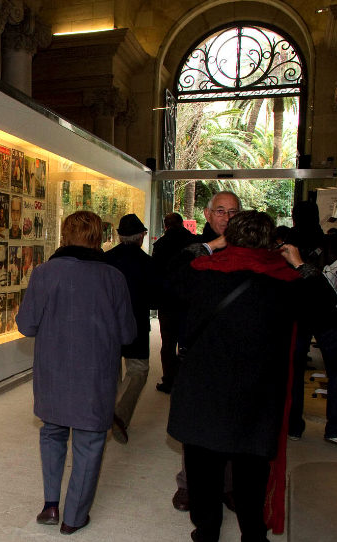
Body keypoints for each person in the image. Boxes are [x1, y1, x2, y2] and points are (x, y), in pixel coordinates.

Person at [167, 210, 334, 542]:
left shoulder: (204, 274)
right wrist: (300, 262)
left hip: (204, 390)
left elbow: (173, 268)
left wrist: (211, 245)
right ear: (272, 241)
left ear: (231, 236)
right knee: (251, 472)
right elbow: (326, 302)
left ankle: (206, 529)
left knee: (203, 470)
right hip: (257, 395)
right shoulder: (286, 283)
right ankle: (252, 533)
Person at [17, 210, 136, 535]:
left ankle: (51, 505)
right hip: (95, 378)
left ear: (64, 237)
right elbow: (128, 334)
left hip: (53, 374)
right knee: (90, 441)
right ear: (98, 237)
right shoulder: (113, 278)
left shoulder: (44, 273)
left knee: (52, 433)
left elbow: (26, 325)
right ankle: (74, 517)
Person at [172, 191, 242, 512]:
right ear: (207, 213)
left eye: (232, 211)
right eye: (220, 211)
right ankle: (189, 484)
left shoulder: (248, 250)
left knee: (230, 421)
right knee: (194, 420)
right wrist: (213, 247)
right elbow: (172, 276)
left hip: (235, 351)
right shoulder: (195, 247)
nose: (226, 218)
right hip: (198, 347)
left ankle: (227, 486)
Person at [286, 201, 337, 450]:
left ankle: (293, 426)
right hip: (328, 316)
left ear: (294, 217)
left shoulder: (287, 244)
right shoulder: (332, 243)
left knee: (293, 372)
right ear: (318, 217)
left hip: (296, 314)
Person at [103, 214, 153, 445]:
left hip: (108, 324)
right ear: (141, 236)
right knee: (138, 370)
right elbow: (156, 298)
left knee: (111, 371)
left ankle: (108, 414)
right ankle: (119, 414)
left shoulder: (105, 260)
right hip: (136, 325)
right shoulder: (148, 263)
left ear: (119, 236)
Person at [152, 213, 197, 394]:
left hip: (167, 301)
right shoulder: (193, 242)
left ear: (166, 226)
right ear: (181, 223)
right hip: (189, 301)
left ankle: (169, 380)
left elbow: (155, 274)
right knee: (187, 342)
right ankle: (186, 380)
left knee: (168, 342)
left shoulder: (160, 245)